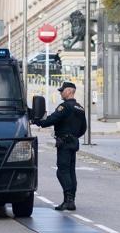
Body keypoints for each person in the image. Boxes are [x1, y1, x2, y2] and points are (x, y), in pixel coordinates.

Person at [34, 81, 87, 211]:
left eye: (62, 90)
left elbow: (52, 119)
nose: (61, 93)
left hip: (64, 143)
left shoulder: (64, 107)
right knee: (70, 171)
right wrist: (73, 136)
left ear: (69, 91)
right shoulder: (80, 108)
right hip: (73, 142)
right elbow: (83, 128)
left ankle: (68, 200)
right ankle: (71, 200)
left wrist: (38, 122)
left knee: (62, 172)